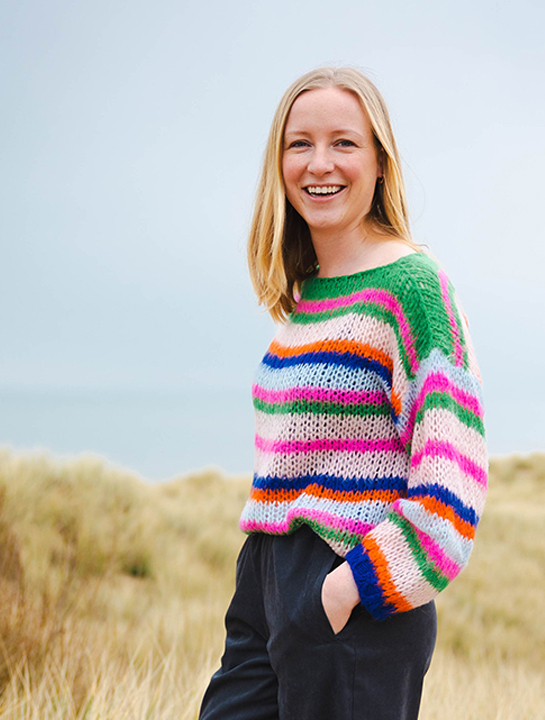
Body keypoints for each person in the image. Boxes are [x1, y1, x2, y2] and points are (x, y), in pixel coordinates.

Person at [198, 66, 487, 720]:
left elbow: (452, 486)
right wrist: (269, 593)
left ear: (380, 163)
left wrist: (347, 589)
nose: (319, 163)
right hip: (267, 584)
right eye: (299, 143)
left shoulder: (413, 288)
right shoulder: (305, 295)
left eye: (344, 143)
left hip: (352, 602)